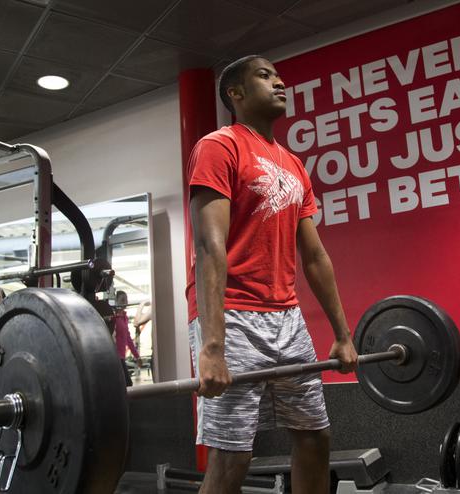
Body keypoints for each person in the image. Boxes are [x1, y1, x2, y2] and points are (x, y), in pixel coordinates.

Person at [186, 55, 358, 494]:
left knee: (315, 437)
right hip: (233, 312)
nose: (279, 82)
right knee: (232, 457)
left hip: (287, 316)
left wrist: (342, 333)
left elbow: (315, 255)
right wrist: (212, 346)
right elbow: (209, 245)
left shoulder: (293, 164)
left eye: (278, 76)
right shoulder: (219, 146)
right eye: (265, 76)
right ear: (236, 94)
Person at [113, 290, 141, 386]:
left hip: (121, 357)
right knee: (127, 384)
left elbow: (128, 339)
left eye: (126, 300)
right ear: (116, 301)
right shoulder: (114, 318)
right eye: (122, 300)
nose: (125, 302)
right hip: (115, 357)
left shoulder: (124, 317)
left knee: (126, 384)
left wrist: (137, 356)